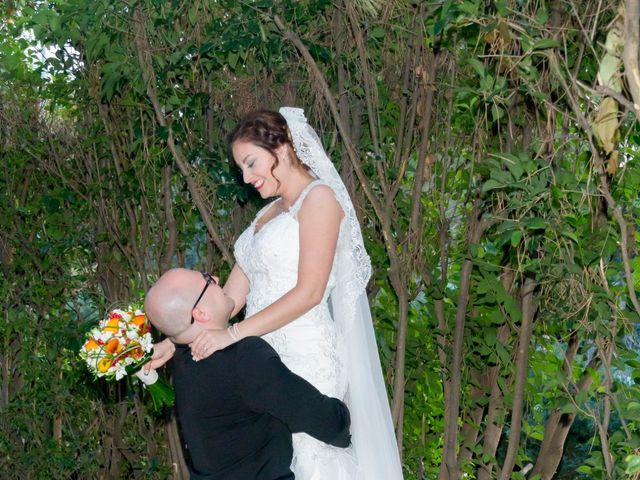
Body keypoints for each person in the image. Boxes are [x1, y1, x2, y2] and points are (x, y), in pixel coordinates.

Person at [145, 268, 352, 480]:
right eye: (207, 280)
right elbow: (319, 417)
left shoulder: (182, 358)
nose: (216, 278)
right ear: (200, 313)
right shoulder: (242, 357)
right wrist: (348, 420)